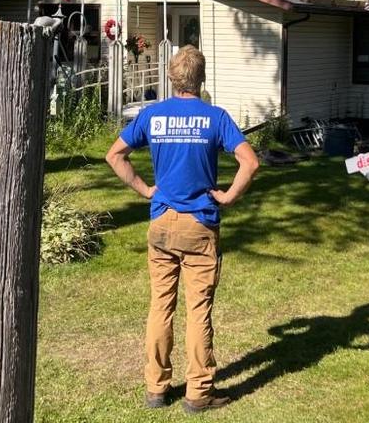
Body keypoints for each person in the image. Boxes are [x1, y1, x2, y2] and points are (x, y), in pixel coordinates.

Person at [105, 45, 260, 413]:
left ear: (171, 77)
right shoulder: (215, 117)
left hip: (162, 221)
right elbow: (250, 162)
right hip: (200, 224)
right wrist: (229, 197)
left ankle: (156, 388)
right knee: (198, 310)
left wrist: (145, 189)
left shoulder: (152, 115)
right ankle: (198, 393)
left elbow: (114, 155)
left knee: (161, 305)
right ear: (201, 78)